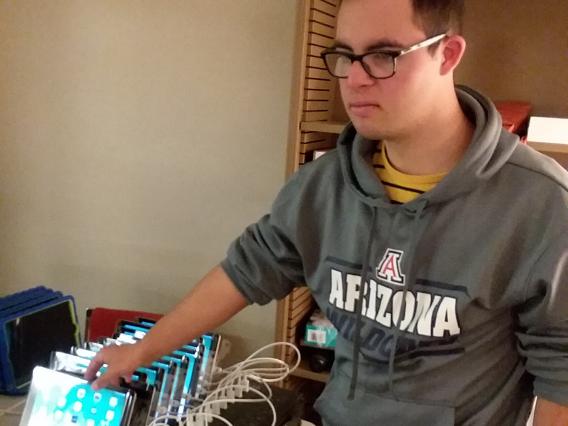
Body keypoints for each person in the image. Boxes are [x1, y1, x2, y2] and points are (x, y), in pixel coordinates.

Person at [86, 0, 568, 424]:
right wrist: (142, 351)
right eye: (345, 56)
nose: (354, 79)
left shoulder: (540, 204)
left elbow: (560, 369)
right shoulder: (323, 185)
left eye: (383, 56)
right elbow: (246, 268)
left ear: (447, 54)